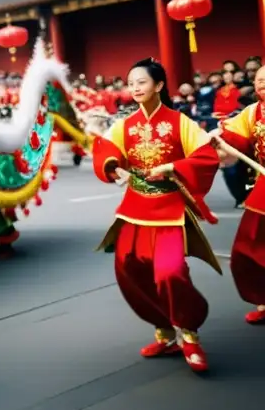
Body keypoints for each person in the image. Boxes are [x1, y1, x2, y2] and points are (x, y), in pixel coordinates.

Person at [92, 58, 220, 373]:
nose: (135, 88)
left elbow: (205, 156)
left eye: (142, 82)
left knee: (170, 272)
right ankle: (164, 329)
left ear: (159, 85)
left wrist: (173, 167)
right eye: (130, 82)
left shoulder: (180, 123)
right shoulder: (124, 124)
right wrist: (113, 165)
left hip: (168, 210)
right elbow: (106, 149)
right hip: (134, 208)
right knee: (129, 269)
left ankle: (188, 332)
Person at [214, 65, 265, 324]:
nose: (262, 84)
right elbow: (234, 142)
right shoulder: (252, 113)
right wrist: (220, 142)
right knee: (248, 250)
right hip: (263, 188)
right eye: (259, 80)